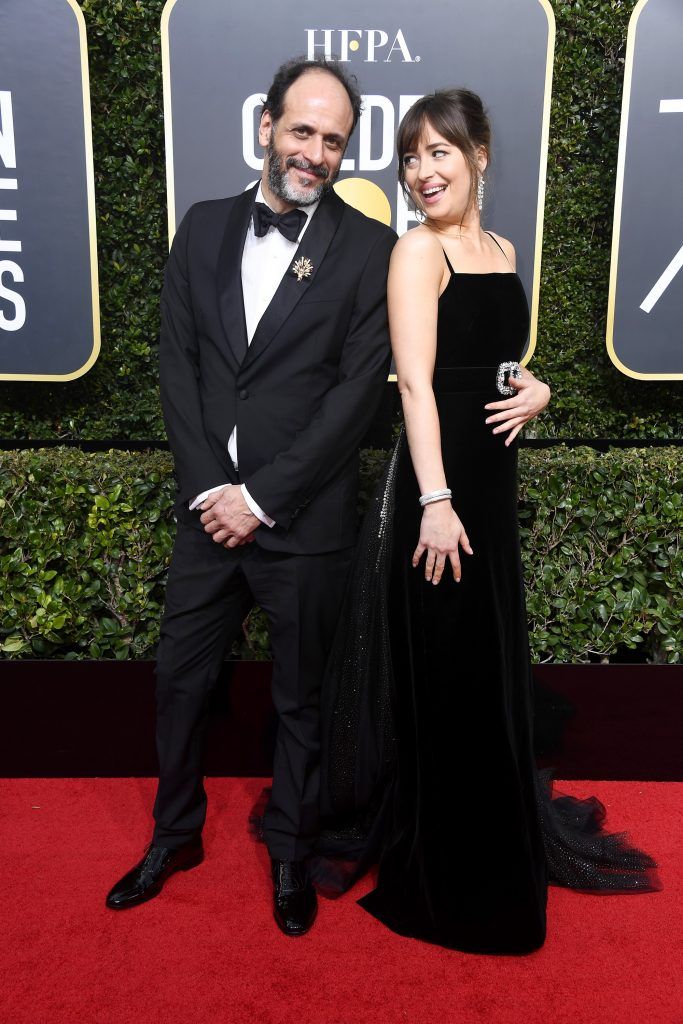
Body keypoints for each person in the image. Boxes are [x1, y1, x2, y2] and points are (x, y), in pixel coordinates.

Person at [319, 88, 658, 955]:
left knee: (488, 668)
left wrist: (536, 388)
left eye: (439, 152)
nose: (422, 171)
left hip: (491, 493)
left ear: (479, 156)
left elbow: (497, 361)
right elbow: (418, 387)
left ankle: (496, 839)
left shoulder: (502, 247)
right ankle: (452, 866)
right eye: (409, 156)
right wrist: (433, 504)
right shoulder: (414, 254)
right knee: (448, 677)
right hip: (441, 497)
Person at [106, 56, 397, 937]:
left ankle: (290, 850)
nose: (314, 151)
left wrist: (260, 498)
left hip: (300, 522)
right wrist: (209, 490)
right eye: (301, 130)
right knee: (178, 684)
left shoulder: (370, 249)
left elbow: (356, 397)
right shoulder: (199, 228)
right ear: (265, 126)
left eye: (333, 140)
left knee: (300, 701)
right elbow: (178, 364)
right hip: (206, 516)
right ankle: (174, 834)